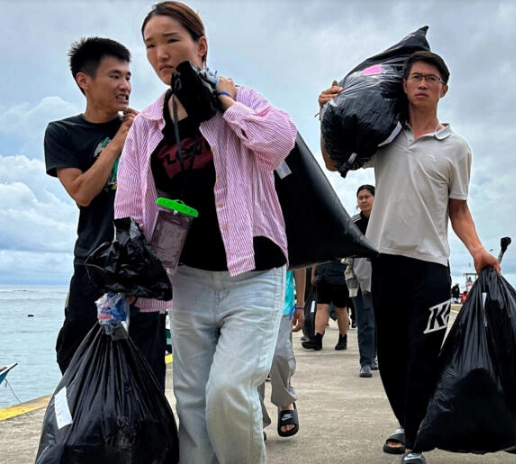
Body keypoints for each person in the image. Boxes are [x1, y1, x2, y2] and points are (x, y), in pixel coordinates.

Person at [114, 2, 297, 463]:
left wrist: (226, 103)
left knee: (228, 392)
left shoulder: (241, 97)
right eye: (150, 46)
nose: (160, 54)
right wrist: (128, 273)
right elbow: (132, 204)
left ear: (201, 45)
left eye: (171, 40)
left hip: (253, 274)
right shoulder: (148, 126)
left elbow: (279, 141)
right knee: (192, 404)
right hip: (189, 279)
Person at [319, 50, 500, 464]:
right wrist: (326, 115)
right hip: (385, 264)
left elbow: (458, 210)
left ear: (444, 89)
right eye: (416, 76)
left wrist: (478, 251)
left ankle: (416, 439)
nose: (423, 83)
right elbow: (334, 163)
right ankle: (410, 422)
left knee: (424, 353)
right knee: (393, 357)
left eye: (431, 79)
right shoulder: (386, 136)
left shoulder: (457, 148)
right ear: (404, 84)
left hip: (432, 268)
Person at [44, 37, 169, 390]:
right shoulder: (63, 132)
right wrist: (119, 141)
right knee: (75, 354)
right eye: (115, 76)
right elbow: (83, 193)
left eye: (128, 77)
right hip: (94, 261)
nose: (125, 86)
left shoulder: (147, 127)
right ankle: (87, 432)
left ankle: (148, 440)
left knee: (148, 362)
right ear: (84, 80)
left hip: (145, 264)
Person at [259, 269, 305, 439]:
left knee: (280, 354)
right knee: (253, 362)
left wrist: (300, 304)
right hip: (247, 301)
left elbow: (300, 264)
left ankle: (285, 401)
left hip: (282, 302)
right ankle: (256, 417)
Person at [345, 184, 378, 378]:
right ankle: (365, 362)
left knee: (379, 321)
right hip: (359, 280)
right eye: (360, 198)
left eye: (367, 197)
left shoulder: (385, 219)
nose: (364, 200)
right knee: (365, 322)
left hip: (382, 280)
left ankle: (374, 357)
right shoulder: (353, 223)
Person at [302, 260, 350, 351]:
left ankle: (342, 337)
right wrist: (313, 275)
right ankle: (318, 338)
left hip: (338, 275)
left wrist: (313, 275)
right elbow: (317, 255)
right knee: (322, 307)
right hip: (325, 274)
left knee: (340, 308)